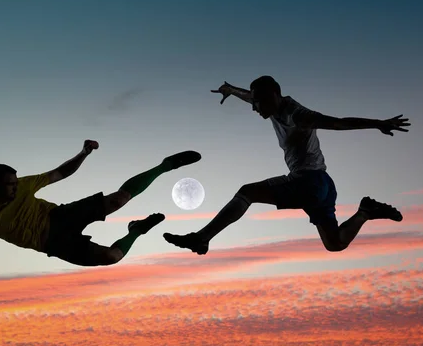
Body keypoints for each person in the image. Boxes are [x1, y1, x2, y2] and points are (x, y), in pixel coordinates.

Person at [164, 76, 410, 255]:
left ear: (272, 97)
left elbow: (338, 123)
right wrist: (229, 89)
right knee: (335, 244)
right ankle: (365, 212)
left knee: (247, 192)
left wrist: (378, 123)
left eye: (257, 103)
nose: (253, 107)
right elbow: (249, 95)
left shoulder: (297, 115)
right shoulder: (272, 106)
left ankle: (202, 238)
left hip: (307, 183)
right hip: (324, 184)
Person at [0, 140, 201, 316]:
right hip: (54, 244)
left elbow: (60, 172)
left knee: (118, 199)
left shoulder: (24, 184)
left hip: (60, 216)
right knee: (112, 256)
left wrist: (83, 153)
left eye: (16, 183)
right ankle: (136, 230)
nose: (16, 188)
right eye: (10, 185)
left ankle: (166, 165)